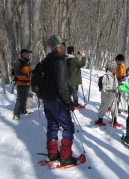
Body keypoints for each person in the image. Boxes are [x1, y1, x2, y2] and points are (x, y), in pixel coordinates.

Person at [42, 34, 77, 166]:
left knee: (52, 125)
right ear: (58, 48)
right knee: (68, 127)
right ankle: (65, 156)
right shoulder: (60, 62)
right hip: (58, 101)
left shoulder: (46, 60)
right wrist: (68, 102)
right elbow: (63, 86)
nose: (65, 46)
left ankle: (52, 153)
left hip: (47, 100)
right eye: (63, 44)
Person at [95, 60, 121, 127]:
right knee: (104, 107)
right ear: (112, 68)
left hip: (113, 95)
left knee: (114, 108)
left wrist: (118, 90)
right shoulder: (106, 76)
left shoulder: (114, 76)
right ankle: (100, 119)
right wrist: (111, 91)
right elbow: (104, 88)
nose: (116, 70)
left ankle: (114, 120)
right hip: (106, 96)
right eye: (115, 68)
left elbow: (116, 85)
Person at [12, 49, 32, 120]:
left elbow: (29, 72)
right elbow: (17, 74)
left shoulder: (27, 62)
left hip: (27, 83)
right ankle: (16, 114)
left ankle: (23, 110)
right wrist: (28, 76)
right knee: (20, 99)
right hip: (20, 83)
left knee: (24, 98)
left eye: (28, 53)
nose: (28, 54)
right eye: (27, 53)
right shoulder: (18, 62)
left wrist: (31, 74)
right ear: (22, 54)